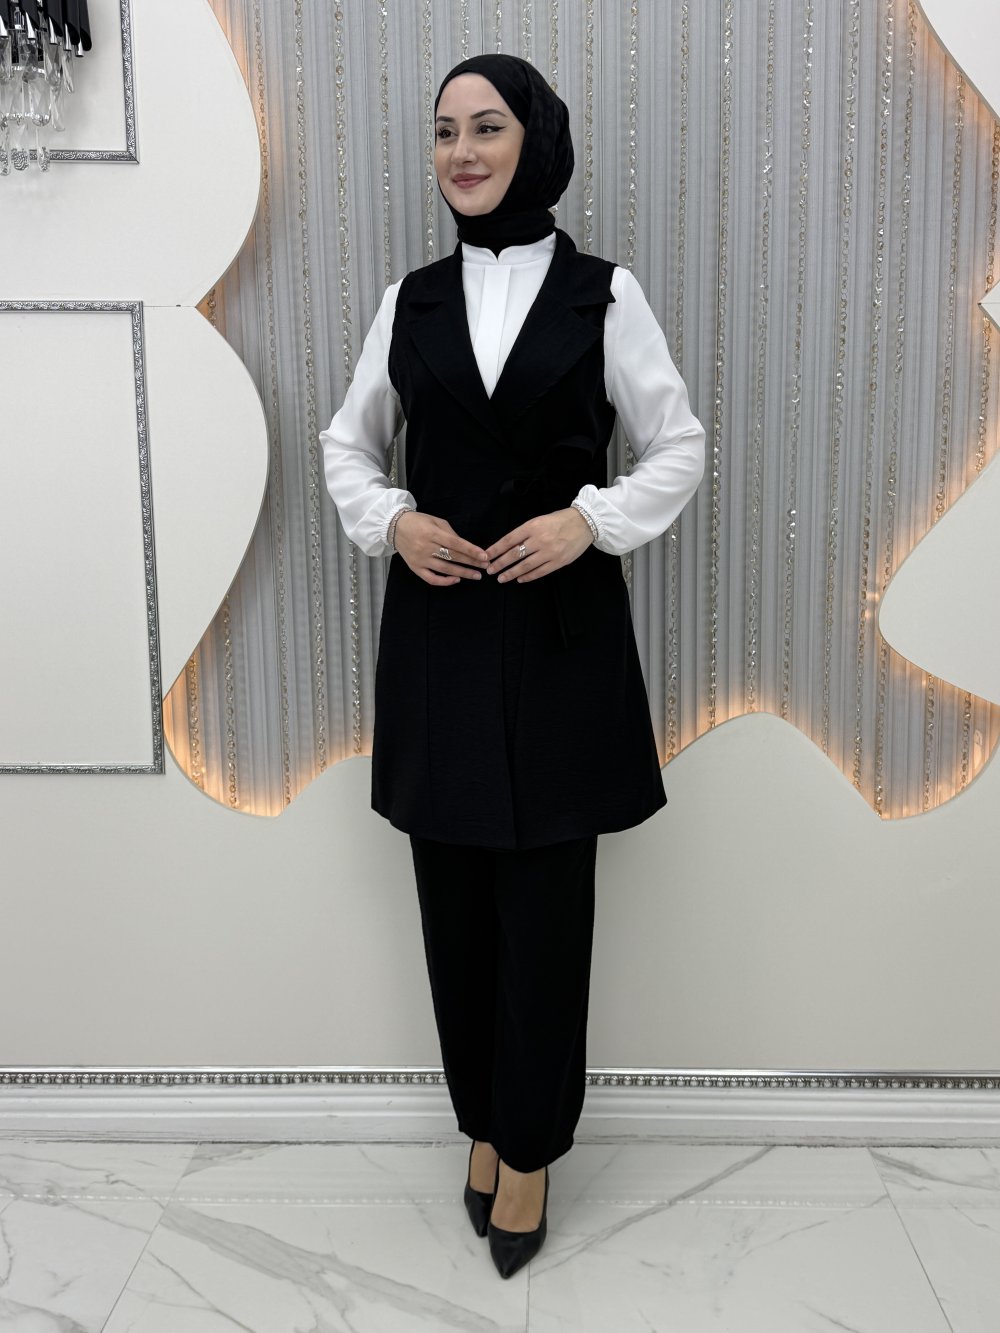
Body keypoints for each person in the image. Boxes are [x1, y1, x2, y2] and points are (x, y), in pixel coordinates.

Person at [319, 53, 705, 1280]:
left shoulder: (604, 293)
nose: (462, 152)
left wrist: (592, 520)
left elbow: (677, 444)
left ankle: (530, 1147)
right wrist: (394, 522)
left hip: (559, 641)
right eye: (444, 132)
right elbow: (346, 446)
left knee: (543, 911)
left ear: (535, 139)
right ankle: (481, 1123)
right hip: (436, 635)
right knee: (452, 907)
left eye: (486, 127)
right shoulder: (412, 300)